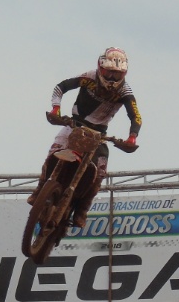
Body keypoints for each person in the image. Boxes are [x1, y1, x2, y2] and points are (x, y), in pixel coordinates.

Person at [29, 47, 141, 228]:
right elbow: (61, 87)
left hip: (99, 134)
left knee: (100, 173)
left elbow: (135, 116)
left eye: (116, 75)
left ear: (124, 74)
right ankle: (40, 188)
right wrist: (56, 108)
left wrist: (132, 137)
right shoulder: (89, 77)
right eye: (108, 73)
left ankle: (82, 210)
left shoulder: (125, 92)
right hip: (75, 124)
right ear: (100, 67)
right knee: (54, 150)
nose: (112, 78)